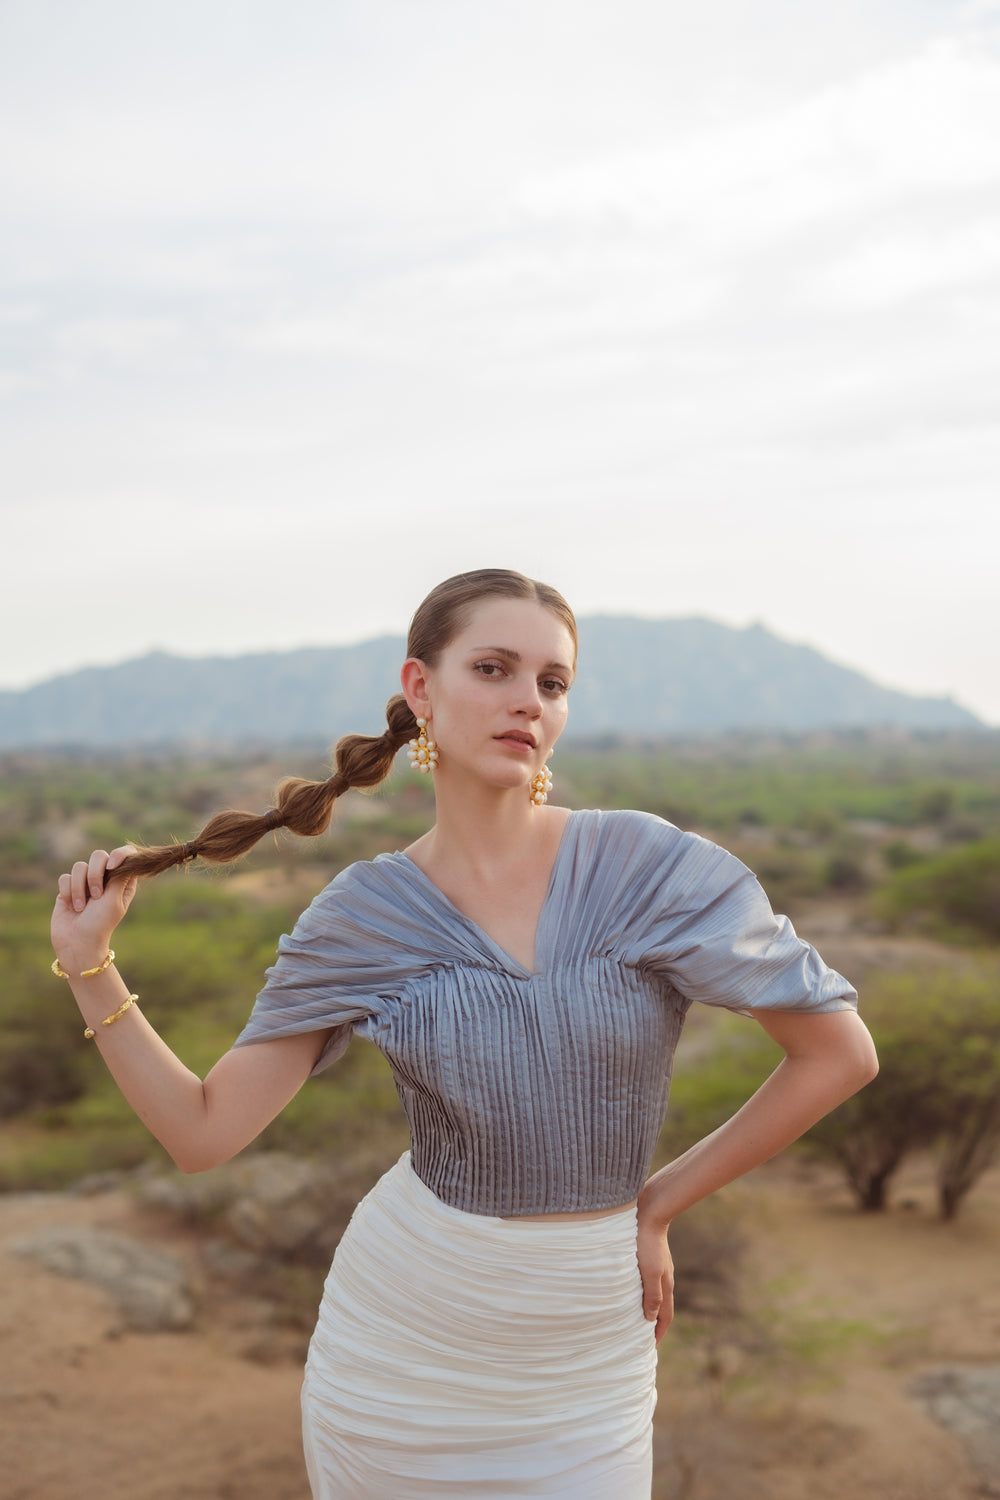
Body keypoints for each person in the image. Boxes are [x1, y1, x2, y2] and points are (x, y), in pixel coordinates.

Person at [50, 568, 877, 1499]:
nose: (527, 700)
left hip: (586, 1350)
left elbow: (838, 1053)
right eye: (493, 668)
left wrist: (653, 1204)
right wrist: (90, 965)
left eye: (552, 682)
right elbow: (203, 1134)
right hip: (406, 1348)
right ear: (420, 688)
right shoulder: (365, 914)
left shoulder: (649, 866)